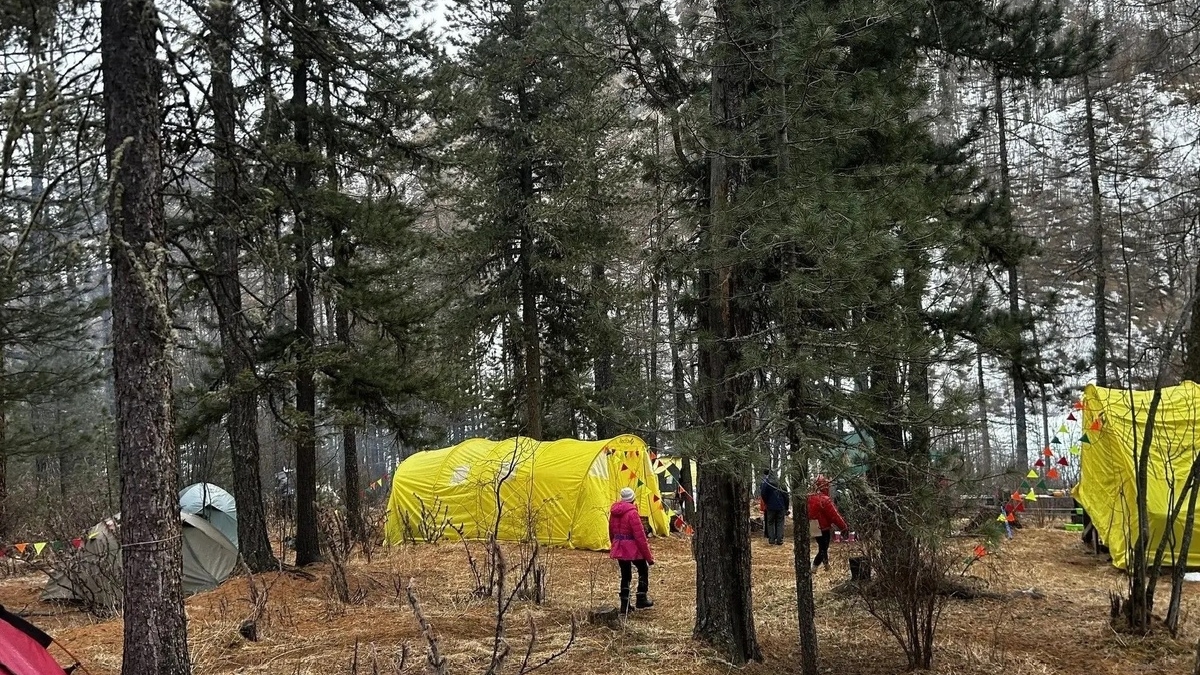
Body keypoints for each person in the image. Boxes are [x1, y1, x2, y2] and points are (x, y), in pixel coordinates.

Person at [610, 487, 655, 613]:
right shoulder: (633, 513)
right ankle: (641, 597)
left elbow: (611, 531)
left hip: (619, 546)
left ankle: (625, 605)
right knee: (643, 569)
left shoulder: (614, 512)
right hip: (632, 549)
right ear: (633, 499)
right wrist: (649, 558)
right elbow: (640, 537)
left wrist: (614, 545)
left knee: (625, 575)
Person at [807, 475, 847, 570]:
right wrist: (844, 527)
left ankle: (826, 565)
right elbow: (834, 515)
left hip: (813, 525)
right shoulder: (824, 499)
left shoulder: (809, 497)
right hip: (823, 526)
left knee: (821, 545)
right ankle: (815, 566)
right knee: (824, 547)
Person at [759, 469, 789, 546]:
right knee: (780, 523)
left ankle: (771, 539)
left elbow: (763, 494)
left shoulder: (767, 484)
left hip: (770, 506)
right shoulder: (781, 483)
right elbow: (786, 496)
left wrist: (767, 502)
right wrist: (786, 507)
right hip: (780, 506)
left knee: (770, 522)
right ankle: (779, 540)